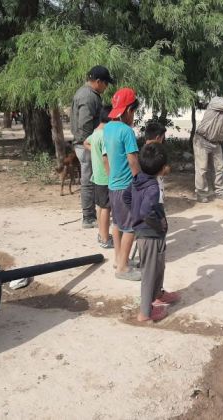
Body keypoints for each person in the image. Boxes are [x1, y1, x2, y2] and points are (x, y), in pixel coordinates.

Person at [124, 143, 180, 322]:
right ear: (163, 168)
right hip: (150, 235)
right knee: (149, 271)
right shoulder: (153, 188)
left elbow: (126, 197)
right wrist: (158, 225)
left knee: (158, 266)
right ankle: (145, 313)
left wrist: (135, 212)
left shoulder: (138, 178)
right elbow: (146, 212)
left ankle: (157, 294)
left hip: (150, 233)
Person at [102, 87, 141, 281]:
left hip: (113, 186)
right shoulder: (127, 131)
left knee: (117, 223)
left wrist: (111, 178)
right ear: (129, 111)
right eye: (134, 111)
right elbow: (132, 159)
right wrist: (140, 181)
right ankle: (123, 268)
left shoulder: (107, 128)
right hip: (127, 186)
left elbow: (105, 158)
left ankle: (119, 259)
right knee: (131, 227)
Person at [71, 65, 114, 228]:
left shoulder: (86, 93)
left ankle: (94, 213)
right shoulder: (89, 96)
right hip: (86, 144)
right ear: (98, 81)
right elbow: (84, 124)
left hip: (87, 143)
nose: (106, 87)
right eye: (105, 83)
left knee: (91, 178)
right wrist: (90, 144)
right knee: (89, 180)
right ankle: (88, 217)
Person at [84, 105, 113, 249]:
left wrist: (94, 150)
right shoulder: (106, 135)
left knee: (100, 207)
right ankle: (105, 238)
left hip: (96, 176)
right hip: (105, 177)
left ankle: (102, 234)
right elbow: (106, 158)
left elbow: (86, 143)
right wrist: (112, 175)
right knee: (106, 208)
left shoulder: (95, 133)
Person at [144, 121, 170, 203]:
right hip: (156, 193)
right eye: (162, 138)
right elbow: (164, 171)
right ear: (158, 138)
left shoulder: (141, 151)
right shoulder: (158, 152)